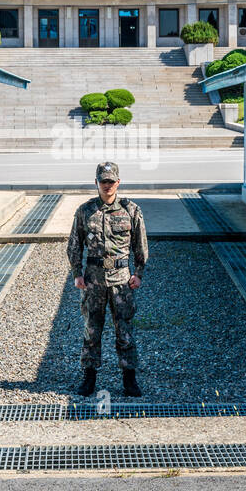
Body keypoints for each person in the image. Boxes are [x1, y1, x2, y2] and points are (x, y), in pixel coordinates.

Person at [66, 162, 149, 397]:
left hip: (122, 281)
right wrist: (77, 273)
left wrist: (139, 273)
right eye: (103, 181)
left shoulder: (131, 210)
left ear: (118, 183)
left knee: (124, 331)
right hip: (94, 281)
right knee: (92, 331)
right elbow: (74, 245)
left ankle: (129, 380)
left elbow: (140, 246)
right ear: (96, 183)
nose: (107, 185)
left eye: (111, 181)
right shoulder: (85, 211)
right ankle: (89, 379)